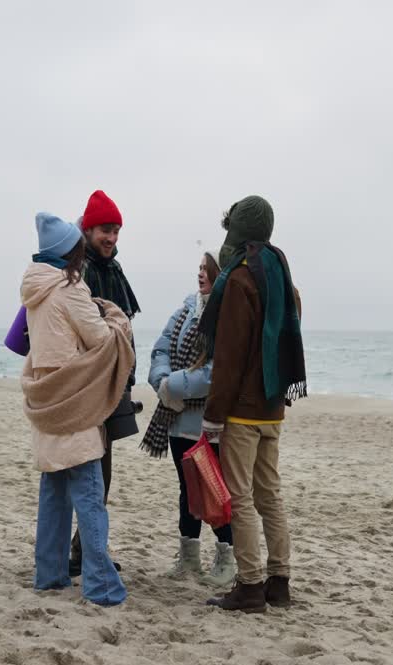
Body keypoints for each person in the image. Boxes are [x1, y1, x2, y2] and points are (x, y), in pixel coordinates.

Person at [199, 195, 306, 614]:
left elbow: (229, 357)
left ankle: (248, 586)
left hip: (242, 410)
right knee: (270, 494)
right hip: (274, 405)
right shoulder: (283, 277)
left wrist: (213, 416)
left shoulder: (240, 280)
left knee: (240, 498)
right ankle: (279, 582)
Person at [20, 212, 133, 606]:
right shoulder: (69, 290)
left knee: (53, 491)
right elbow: (101, 340)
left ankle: (49, 576)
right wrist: (116, 318)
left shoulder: (34, 289)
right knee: (88, 491)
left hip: (47, 398)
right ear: (70, 251)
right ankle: (102, 586)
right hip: (75, 400)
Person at [142, 251, 236, 587]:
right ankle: (188, 558)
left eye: (206, 268)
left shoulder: (226, 315)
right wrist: (162, 383)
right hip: (177, 419)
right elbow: (161, 349)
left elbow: (216, 372)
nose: (200, 273)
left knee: (213, 490)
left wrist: (173, 387)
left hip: (208, 422)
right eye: (197, 267)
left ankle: (228, 556)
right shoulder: (186, 308)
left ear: (219, 274)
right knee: (187, 491)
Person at [69, 189, 141, 577]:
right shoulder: (80, 269)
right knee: (88, 472)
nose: (111, 238)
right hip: (90, 387)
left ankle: (86, 549)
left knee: (102, 474)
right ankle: (85, 553)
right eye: (104, 230)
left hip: (115, 387)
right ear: (88, 229)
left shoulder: (113, 269)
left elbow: (125, 327)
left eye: (115, 230)